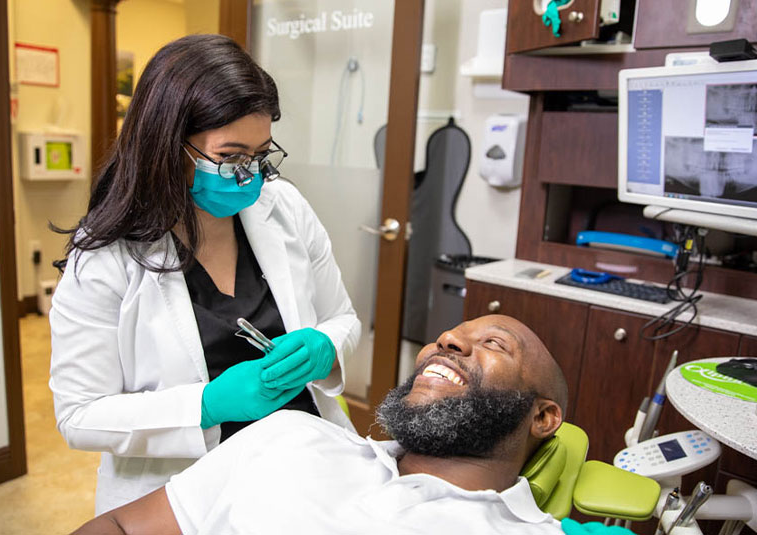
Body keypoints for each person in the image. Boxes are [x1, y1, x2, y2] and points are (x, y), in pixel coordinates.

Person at [49, 34, 360, 515]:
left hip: (307, 464)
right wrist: (206, 405)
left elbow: (341, 318)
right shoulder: (105, 257)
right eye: (231, 156)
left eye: (260, 156)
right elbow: (79, 415)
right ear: (166, 145)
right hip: (188, 491)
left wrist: (327, 349)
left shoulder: (285, 209)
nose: (250, 177)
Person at [72, 314, 582, 535]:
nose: (447, 339)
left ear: (543, 417)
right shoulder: (291, 435)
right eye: (450, 334)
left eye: (494, 344)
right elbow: (120, 525)